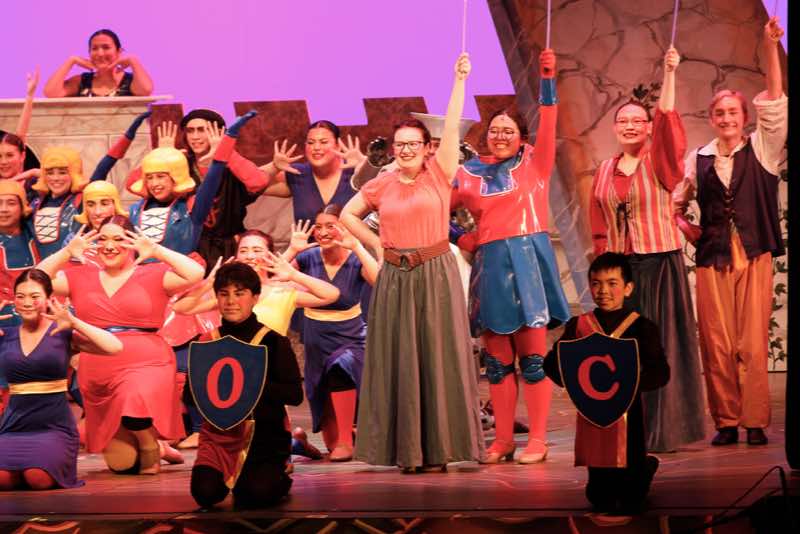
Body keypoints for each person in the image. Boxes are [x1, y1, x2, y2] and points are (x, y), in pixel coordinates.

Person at [340, 53, 485, 471]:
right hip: (395, 276)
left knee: (438, 359)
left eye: (413, 144)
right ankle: (407, 451)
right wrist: (377, 244)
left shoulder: (438, 174)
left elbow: (452, 126)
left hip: (434, 273)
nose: (405, 150)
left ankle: (439, 449)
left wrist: (459, 81)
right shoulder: (382, 183)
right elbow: (348, 215)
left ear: (426, 149)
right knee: (399, 359)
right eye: (400, 144)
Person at [451, 48, 570, 464]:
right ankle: (503, 440)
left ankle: (537, 439)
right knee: (498, 363)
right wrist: (463, 238)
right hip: (490, 268)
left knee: (533, 360)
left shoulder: (535, 163)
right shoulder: (469, 173)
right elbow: (435, 207)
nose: (500, 136)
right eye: (494, 130)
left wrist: (547, 78)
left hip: (529, 264)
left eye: (508, 130)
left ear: (522, 137)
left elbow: (549, 120)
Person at [673, 17, 787, 447]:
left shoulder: (762, 150)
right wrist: (687, 227)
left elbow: (774, 103)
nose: (726, 118)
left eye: (733, 112)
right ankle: (725, 419)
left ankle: (754, 419)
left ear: (744, 117)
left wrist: (770, 47)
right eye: (719, 113)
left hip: (753, 252)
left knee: (751, 342)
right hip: (713, 256)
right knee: (717, 342)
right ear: (711, 118)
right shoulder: (698, 157)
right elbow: (675, 204)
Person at [589, 48, 705, 452]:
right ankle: (628, 427)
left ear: (649, 127)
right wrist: (602, 272)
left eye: (638, 121)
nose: (629, 126)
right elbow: (599, 224)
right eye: (623, 121)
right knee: (623, 349)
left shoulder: (660, 162)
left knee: (658, 347)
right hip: (621, 272)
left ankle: (664, 429)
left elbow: (669, 124)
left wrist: (670, 73)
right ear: (614, 128)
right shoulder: (604, 169)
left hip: (658, 264)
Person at [37, 215, 205, 475]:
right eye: (102, 239)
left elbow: (195, 273)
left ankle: (150, 445)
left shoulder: (153, 274)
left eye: (118, 239)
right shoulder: (79, 276)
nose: (109, 245)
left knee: (133, 400)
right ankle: (160, 447)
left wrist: (156, 250)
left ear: (132, 242)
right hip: (98, 364)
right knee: (123, 464)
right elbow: (36, 280)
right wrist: (66, 252)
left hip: (146, 361)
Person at [543, 253, 670, 517]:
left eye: (612, 283)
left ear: (628, 288)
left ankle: (645, 468)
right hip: (593, 416)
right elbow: (553, 364)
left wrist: (630, 386)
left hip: (629, 417)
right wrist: (576, 386)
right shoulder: (579, 326)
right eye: (596, 283)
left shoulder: (641, 327)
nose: (603, 291)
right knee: (598, 498)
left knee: (631, 497)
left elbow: (661, 372)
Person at [190, 262, 303, 509]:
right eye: (224, 294)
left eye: (239, 293)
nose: (231, 301)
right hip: (218, 438)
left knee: (254, 495)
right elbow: (191, 396)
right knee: (205, 494)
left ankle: (282, 473)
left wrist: (250, 383)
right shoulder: (206, 341)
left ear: (255, 297)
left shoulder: (273, 341)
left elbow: (294, 395)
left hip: (264, 438)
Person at [0, 269, 122, 490]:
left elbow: (114, 347)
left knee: (37, 478)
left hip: (54, 427)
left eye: (35, 296)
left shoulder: (62, 333)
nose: (27, 303)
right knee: (2, 480)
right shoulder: (5, 336)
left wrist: (75, 323)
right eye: (20, 296)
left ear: (49, 299)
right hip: (14, 427)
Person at [282, 205, 378, 461]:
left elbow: (380, 280)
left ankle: (347, 440)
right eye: (318, 227)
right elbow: (270, 278)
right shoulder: (307, 257)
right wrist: (292, 250)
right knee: (326, 407)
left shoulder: (355, 259)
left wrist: (358, 246)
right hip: (316, 338)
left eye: (330, 226)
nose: (323, 232)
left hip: (351, 337)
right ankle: (306, 442)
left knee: (341, 367)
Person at [154, 110, 268, 270]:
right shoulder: (180, 164)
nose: (195, 136)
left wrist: (225, 150)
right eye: (190, 131)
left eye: (202, 130)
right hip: (190, 246)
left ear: (219, 133)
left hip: (230, 246)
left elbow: (259, 182)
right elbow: (134, 185)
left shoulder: (232, 166)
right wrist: (162, 156)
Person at [43, 29, 153, 97]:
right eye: (94, 48)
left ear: (119, 51)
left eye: (106, 47)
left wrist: (133, 61)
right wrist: (71, 60)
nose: (100, 54)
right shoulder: (82, 81)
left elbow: (146, 90)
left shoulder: (130, 80)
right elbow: (51, 93)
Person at [0, 69, 39, 184]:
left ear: (22, 156)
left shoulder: (31, 183)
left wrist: (30, 96)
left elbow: (21, 135)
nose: (3, 162)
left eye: (10, 155)